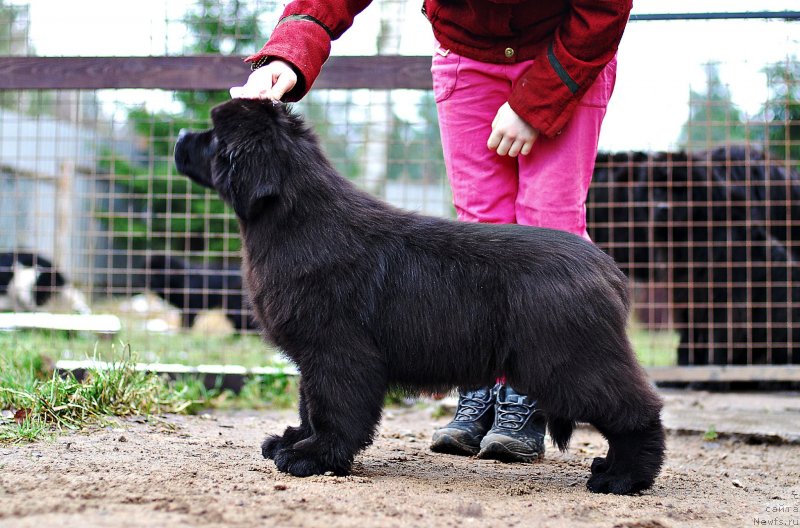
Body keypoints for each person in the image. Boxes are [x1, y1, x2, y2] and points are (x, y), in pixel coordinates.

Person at [231, 0, 633, 463]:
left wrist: (536, 101)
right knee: (480, 229)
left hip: (563, 51)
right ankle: (482, 385)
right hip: (468, 56)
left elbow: (604, 8)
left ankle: (532, 392)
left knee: (549, 220)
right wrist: (289, 51)